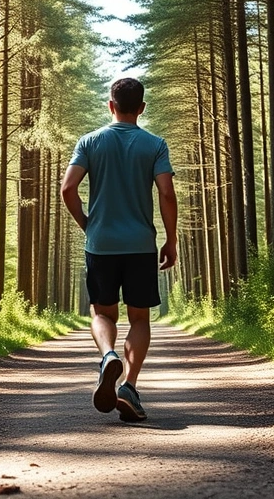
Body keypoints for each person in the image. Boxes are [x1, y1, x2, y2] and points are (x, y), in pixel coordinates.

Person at [60, 77, 178, 422]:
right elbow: (166, 194)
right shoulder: (154, 144)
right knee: (139, 318)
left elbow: (68, 189)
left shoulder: (90, 141)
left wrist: (88, 224)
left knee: (102, 314)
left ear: (110, 105)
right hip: (141, 245)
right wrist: (170, 240)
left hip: (101, 245)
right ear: (141, 108)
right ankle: (128, 385)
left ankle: (108, 354)